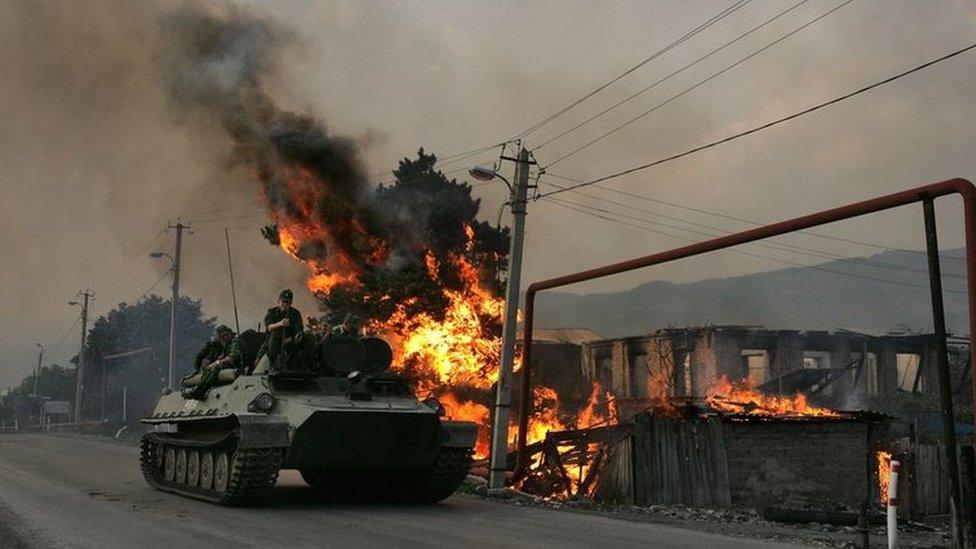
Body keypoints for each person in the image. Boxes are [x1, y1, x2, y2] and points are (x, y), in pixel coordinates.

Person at [182, 325, 241, 400]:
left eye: (226, 334)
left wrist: (216, 363)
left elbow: (232, 358)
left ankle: (200, 391)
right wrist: (210, 364)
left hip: (236, 366)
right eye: (223, 336)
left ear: (230, 333)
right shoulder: (226, 344)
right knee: (210, 368)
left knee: (215, 367)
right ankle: (199, 389)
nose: (225, 337)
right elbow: (221, 356)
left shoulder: (235, 342)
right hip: (229, 365)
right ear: (220, 338)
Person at [263, 288, 303, 366]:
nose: (284, 304)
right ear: (278, 301)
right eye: (283, 301)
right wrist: (280, 324)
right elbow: (269, 327)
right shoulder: (272, 312)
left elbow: (299, 329)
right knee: (275, 335)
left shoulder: (295, 314)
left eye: (287, 302)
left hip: (290, 341)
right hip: (274, 341)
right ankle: (273, 365)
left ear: (290, 303)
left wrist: (292, 338)